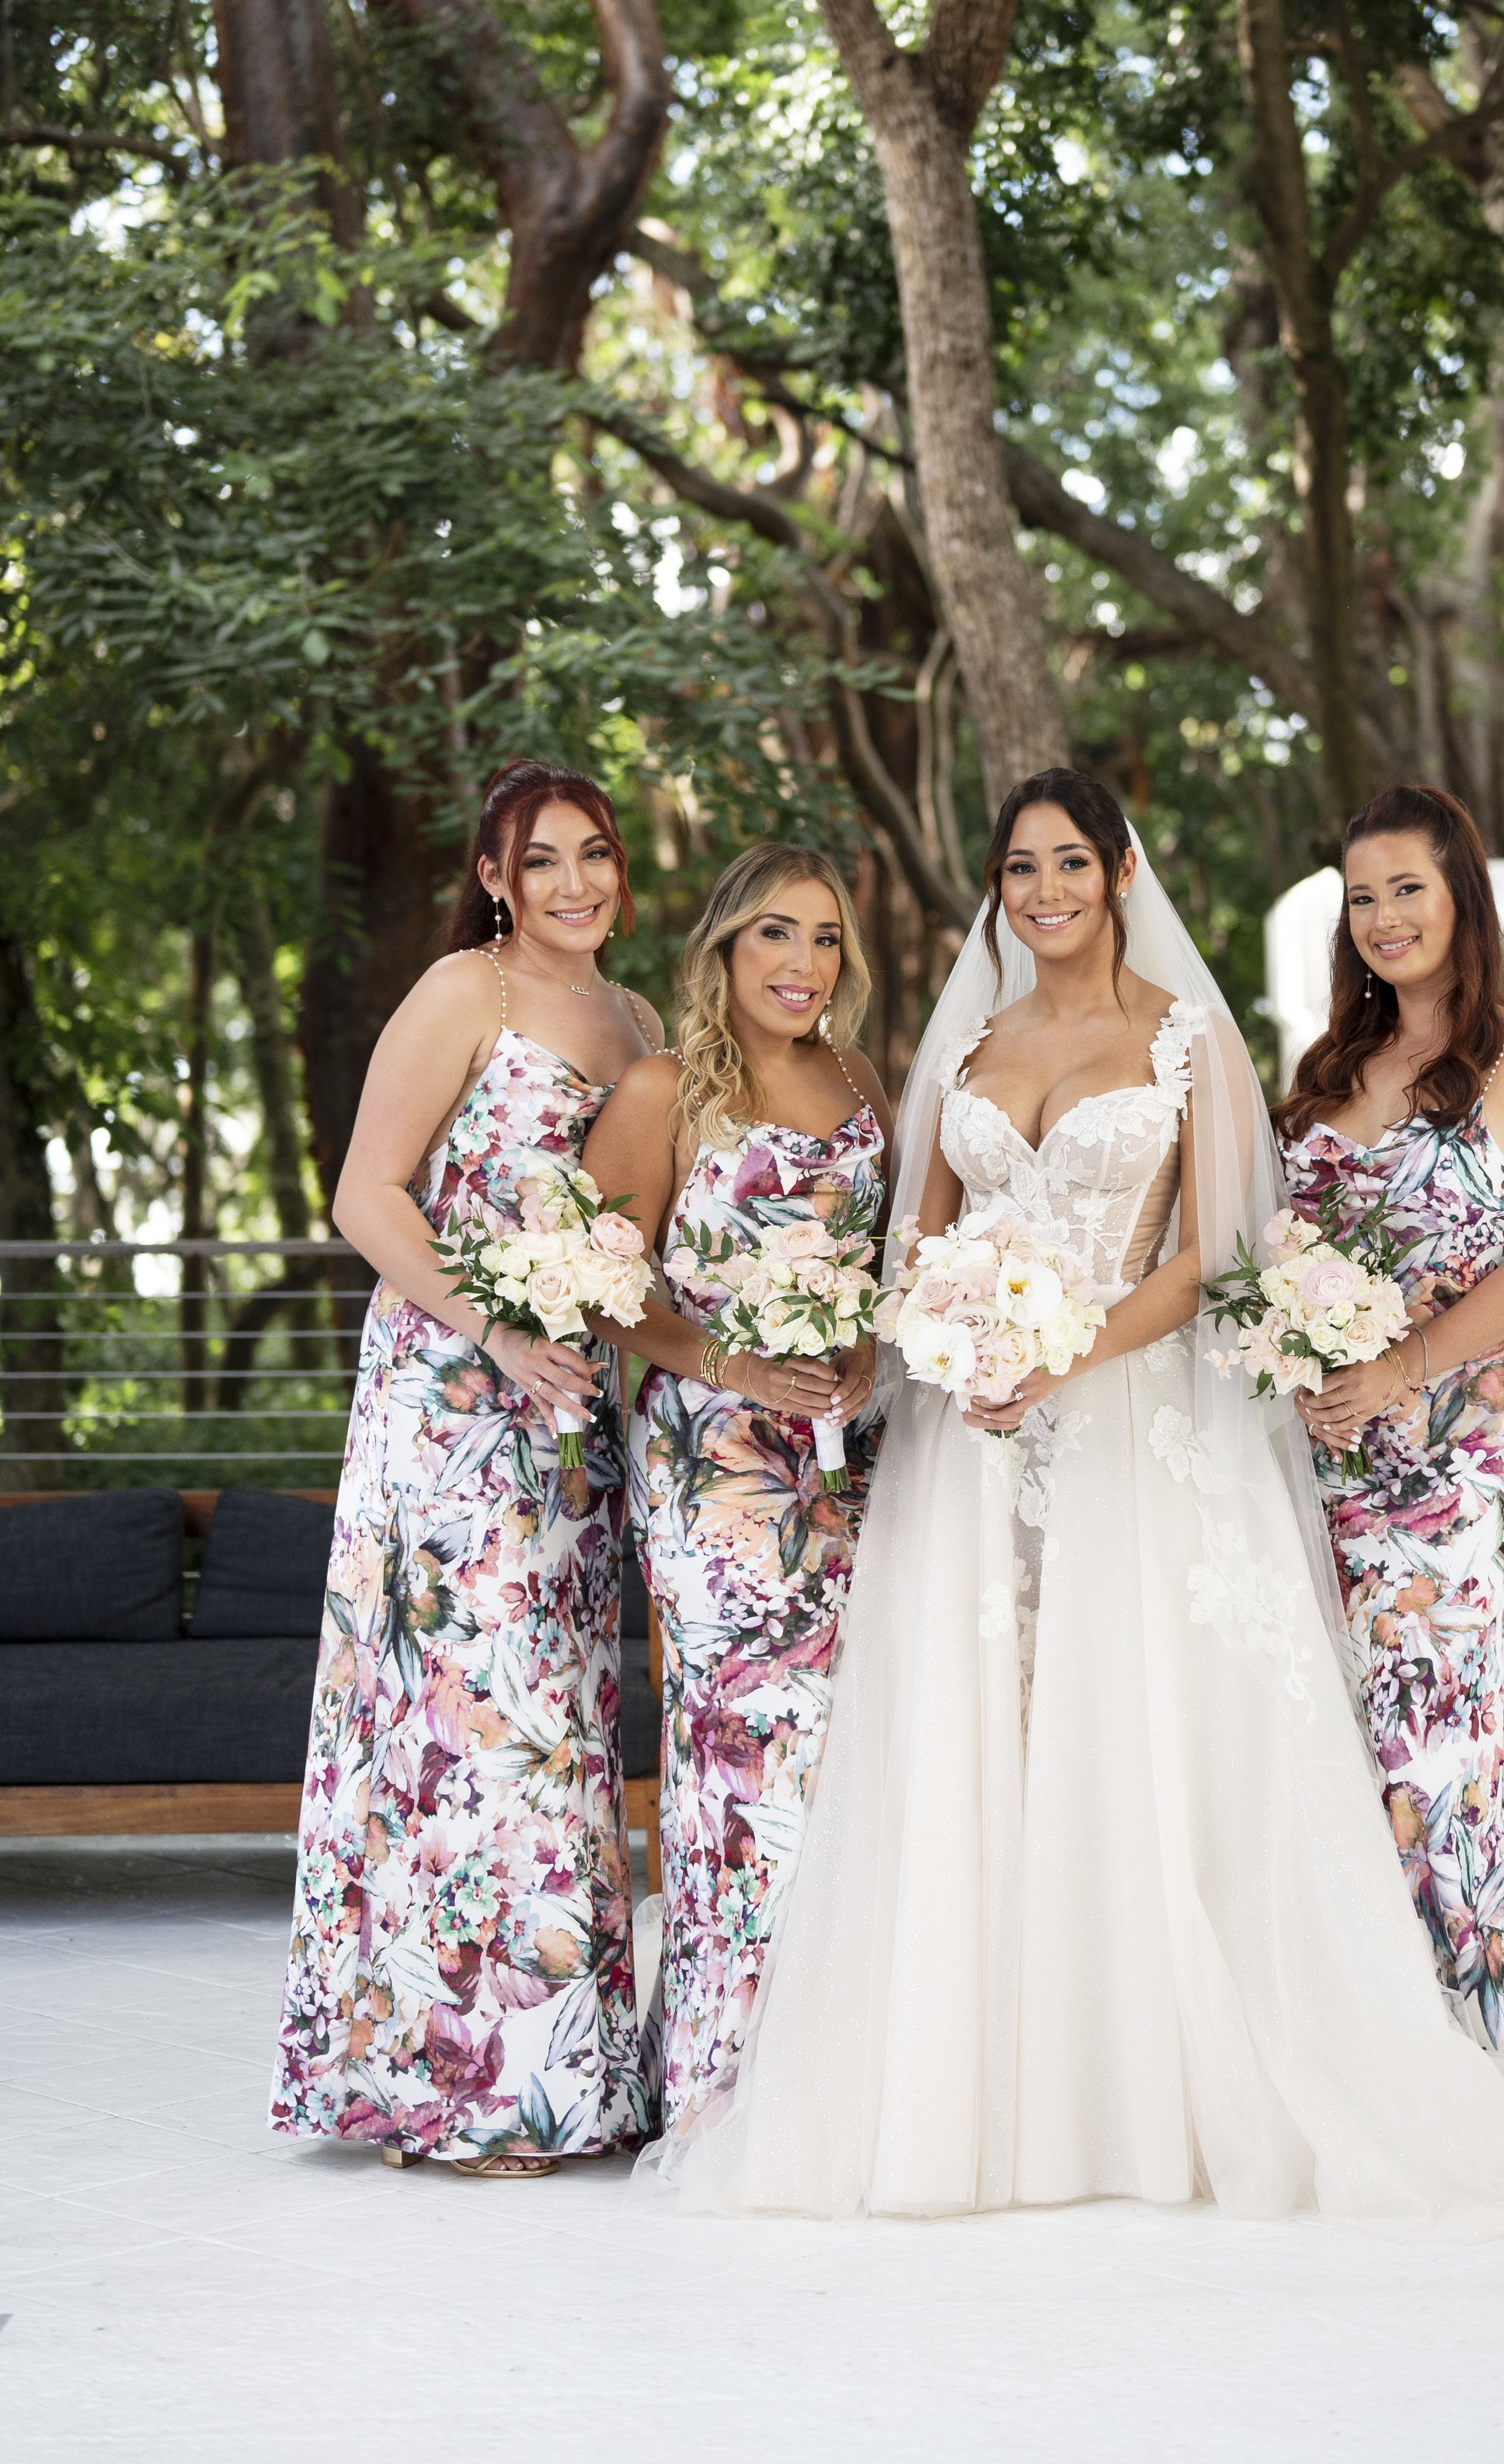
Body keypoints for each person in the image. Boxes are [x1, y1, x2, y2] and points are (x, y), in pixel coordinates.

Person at [641, 767, 1504, 2229]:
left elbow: (1212, 1257)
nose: (1045, 891)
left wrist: (1059, 1344)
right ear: (999, 889)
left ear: (1121, 869)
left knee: (1132, 1724)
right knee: (984, 1737)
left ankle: (1163, 2083)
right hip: (971, 1441)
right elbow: (917, 1241)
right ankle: (989, 2092)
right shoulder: (966, 1042)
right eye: (1020, 867)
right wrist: (950, 1338)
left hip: (1131, 1413)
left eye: (1071, 861)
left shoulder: (1190, 1037)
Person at [270, 757, 660, 2173]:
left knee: (560, 1720)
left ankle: (573, 2076)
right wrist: (494, 1326)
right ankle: (457, 2081)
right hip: (449, 1396)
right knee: (466, 1726)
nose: (574, 884)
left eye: (595, 855)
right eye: (541, 860)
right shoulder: (461, 992)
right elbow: (364, 1191)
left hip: (577, 1410)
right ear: (495, 876)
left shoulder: (636, 1018)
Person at [1275, 782, 1504, 2135]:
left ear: (1462, 891)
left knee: (1455, 1740)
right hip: (1327, 1455)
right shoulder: (1323, 1072)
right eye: (1363, 896)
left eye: (1408, 886)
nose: (1386, 916)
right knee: (1341, 1744)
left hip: (1460, 1452)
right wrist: (1298, 1370)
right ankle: (1363, 2056)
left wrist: (1404, 1365)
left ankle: (1485, 2059)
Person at [582, 845, 887, 2143]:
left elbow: (888, 1267)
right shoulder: (666, 1088)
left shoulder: (864, 1080)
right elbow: (600, 1279)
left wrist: (860, 1357)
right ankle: (717, 2091)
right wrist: (734, 1359)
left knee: (835, 1761)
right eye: (774, 933)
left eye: (824, 939)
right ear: (722, 947)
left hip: (845, 1469)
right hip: (709, 1474)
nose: (800, 963)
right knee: (731, 1763)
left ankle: (830, 2076)